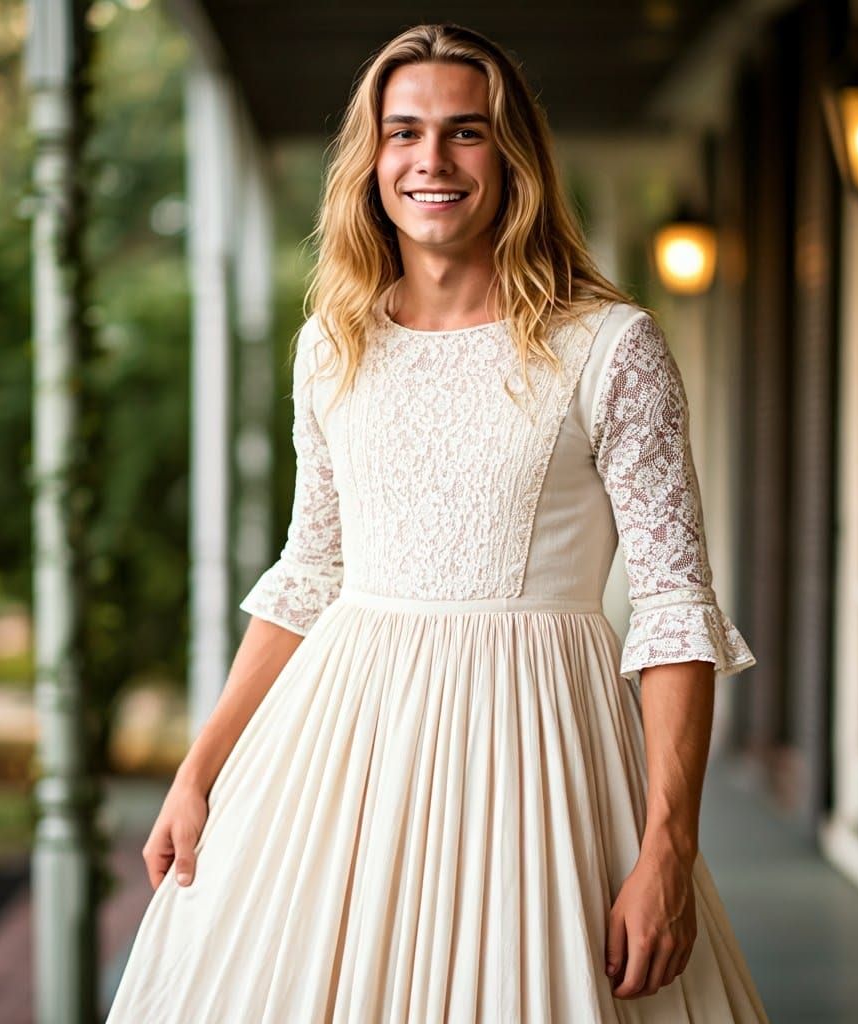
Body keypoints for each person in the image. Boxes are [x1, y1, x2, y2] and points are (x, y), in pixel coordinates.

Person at [106, 22, 770, 1023]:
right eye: (403, 131)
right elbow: (308, 570)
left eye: (466, 133)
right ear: (370, 160)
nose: (431, 160)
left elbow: (675, 604)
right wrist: (199, 768)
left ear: (513, 161)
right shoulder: (329, 350)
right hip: (339, 761)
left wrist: (668, 846)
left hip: (538, 758)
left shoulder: (610, 346)